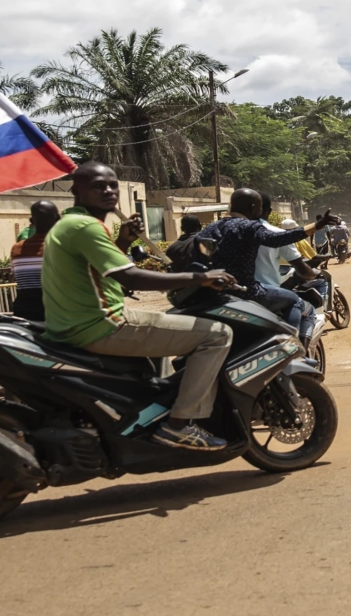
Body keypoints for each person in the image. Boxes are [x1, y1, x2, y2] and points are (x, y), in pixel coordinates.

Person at [42, 162, 238, 451]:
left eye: (111, 185)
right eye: (98, 185)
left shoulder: (72, 223)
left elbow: (97, 270)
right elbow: (129, 276)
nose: (107, 190)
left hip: (79, 323)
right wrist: (202, 277)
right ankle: (179, 424)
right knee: (218, 334)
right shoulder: (86, 227)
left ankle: (153, 412)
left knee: (164, 329)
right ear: (76, 190)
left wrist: (122, 240)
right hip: (104, 324)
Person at [200, 189, 339, 346]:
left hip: (216, 294)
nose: (260, 212)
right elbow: (277, 239)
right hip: (249, 292)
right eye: (259, 207)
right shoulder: (249, 227)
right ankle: (292, 348)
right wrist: (317, 225)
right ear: (253, 207)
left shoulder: (210, 228)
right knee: (296, 301)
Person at [10, 200, 61, 321]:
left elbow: (15, 277)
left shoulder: (16, 249)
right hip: (56, 313)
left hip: (23, 312)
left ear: (32, 222)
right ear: (57, 220)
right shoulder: (62, 247)